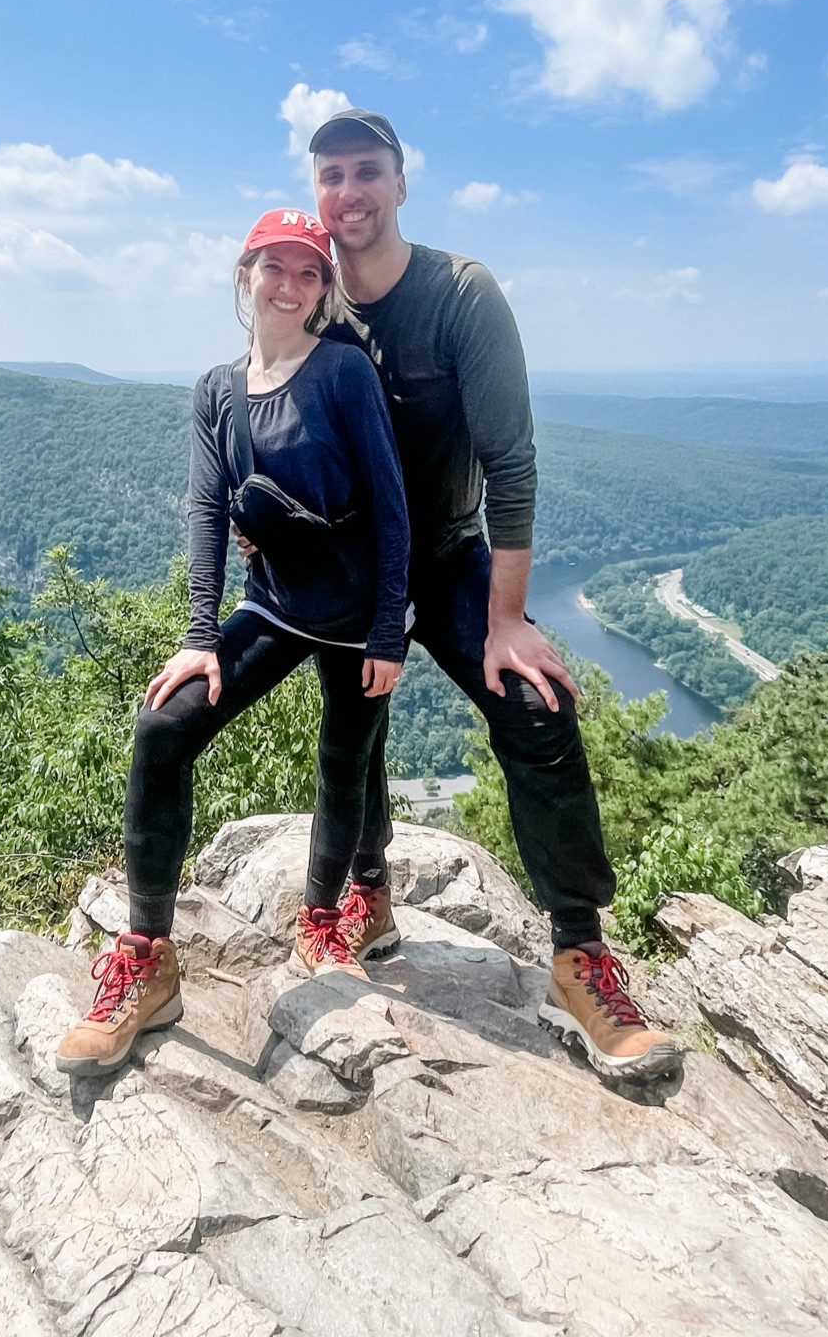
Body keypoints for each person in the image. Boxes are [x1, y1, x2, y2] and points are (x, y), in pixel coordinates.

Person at [305, 108, 680, 1083]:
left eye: (366, 171)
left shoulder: (461, 294)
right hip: (354, 567)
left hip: (450, 556)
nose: (349, 192)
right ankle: (370, 890)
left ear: (400, 180)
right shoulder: (311, 297)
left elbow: (511, 463)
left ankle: (577, 951)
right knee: (355, 731)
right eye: (332, 174)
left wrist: (508, 621)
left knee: (539, 706)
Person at [56, 207, 411, 1078]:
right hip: (278, 603)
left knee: (346, 758)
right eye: (274, 267)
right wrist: (198, 637)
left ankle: (335, 911)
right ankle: (148, 956)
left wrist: (388, 629)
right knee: (164, 729)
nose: (289, 284)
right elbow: (209, 511)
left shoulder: (342, 371)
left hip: (358, 607)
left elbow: (392, 505)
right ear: (244, 275)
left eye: (308, 271)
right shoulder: (217, 387)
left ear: (324, 289)